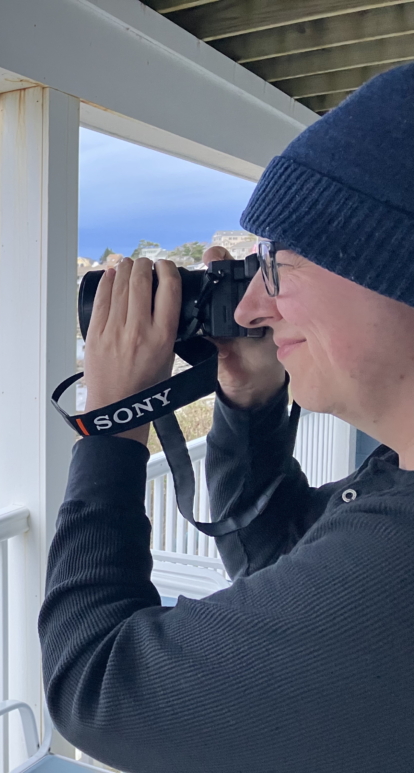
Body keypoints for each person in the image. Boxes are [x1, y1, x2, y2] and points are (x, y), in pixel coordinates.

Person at [38, 62, 414, 773]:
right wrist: (250, 395)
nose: (247, 308)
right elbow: (273, 551)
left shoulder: (397, 574)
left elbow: (93, 684)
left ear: (388, 264)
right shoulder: (396, 482)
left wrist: (113, 430)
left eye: (279, 263)